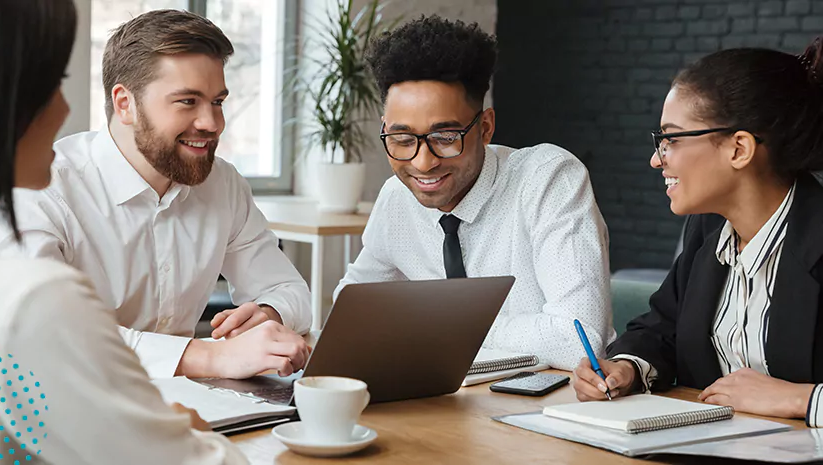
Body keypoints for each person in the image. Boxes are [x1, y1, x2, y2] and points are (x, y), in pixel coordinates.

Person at [0, 1, 248, 463]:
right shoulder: (29, 301)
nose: (66, 108)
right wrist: (196, 436)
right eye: (54, 82)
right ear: (1, 105)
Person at [0, 9, 311, 380]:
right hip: (66, 408)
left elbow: (290, 290)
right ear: (125, 104)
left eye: (217, 101)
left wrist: (269, 313)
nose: (212, 123)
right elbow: (42, 334)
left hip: (192, 405)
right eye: (188, 101)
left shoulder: (224, 184)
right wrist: (206, 357)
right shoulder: (43, 186)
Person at [335, 15, 614, 370]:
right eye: (403, 140)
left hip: (549, 404)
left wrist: (442, 325)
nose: (422, 163)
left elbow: (580, 340)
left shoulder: (547, 179)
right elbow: (350, 306)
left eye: (445, 138)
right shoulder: (397, 197)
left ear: (485, 128)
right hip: (448, 402)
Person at [572, 38, 823, 427]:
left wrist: (801, 398)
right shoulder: (710, 227)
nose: (657, 159)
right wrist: (626, 368)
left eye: (671, 139)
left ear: (739, 149)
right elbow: (663, 327)